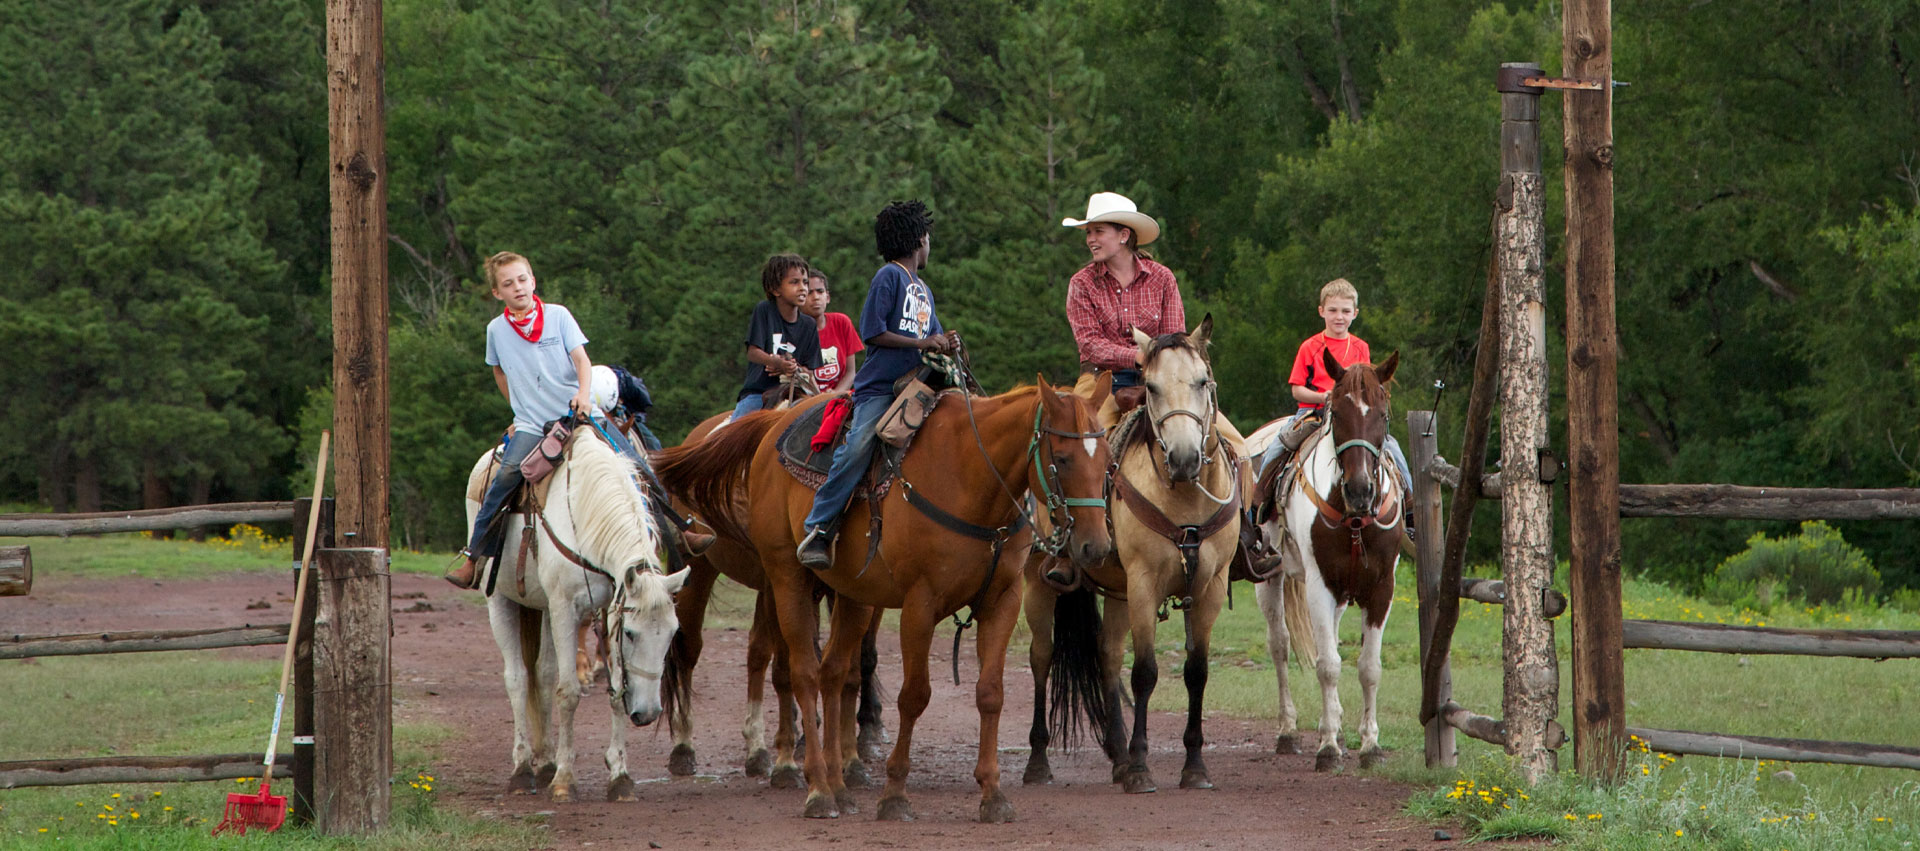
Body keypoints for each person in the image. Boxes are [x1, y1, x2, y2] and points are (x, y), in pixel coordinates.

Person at [796, 201, 957, 569]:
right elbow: (872, 332)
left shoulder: (923, 291)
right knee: (858, 447)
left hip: (918, 389)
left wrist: (946, 341)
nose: (930, 244)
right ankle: (819, 527)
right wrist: (921, 344)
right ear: (919, 239)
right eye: (928, 237)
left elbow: (930, 336)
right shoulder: (889, 276)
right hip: (881, 390)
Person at [446, 251, 594, 590]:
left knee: (628, 456)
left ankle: (676, 529)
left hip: (576, 415)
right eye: (508, 284)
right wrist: (519, 408)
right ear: (498, 293)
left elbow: (582, 360)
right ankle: (474, 558)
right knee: (506, 476)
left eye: (523, 279)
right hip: (532, 426)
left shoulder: (558, 316)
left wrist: (584, 395)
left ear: (533, 281)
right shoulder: (496, 330)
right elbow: (498, 370)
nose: (518, 288)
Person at [1256, 278, 1411, 507]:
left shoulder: (1361, 347)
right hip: (1313, 412)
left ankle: (1409, 506)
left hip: (1353, 417)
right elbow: (1297, 390)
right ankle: (1259, 504)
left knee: (1392, 448)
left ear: (1355, 313)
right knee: (1279, 446)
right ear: (1322, 312)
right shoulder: (1310, 346)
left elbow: (1365, 389)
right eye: (1333, 310)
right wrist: (1323, 397)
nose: (1339, 317)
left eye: (1345, 311)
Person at [731, 254, 822, 421]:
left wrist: (793, 368)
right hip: (759, 393)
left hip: (795, 393)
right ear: (775, 289)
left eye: (805, 282)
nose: (803, 288)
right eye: (794, 282)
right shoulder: (764, 310)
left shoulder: (809, 324)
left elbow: (810, 369)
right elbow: (753, 352)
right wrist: (777, 363)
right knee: (733, 436)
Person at [804, 271, 863, 394]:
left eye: (820, 291)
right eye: (809, 292)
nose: (815, 297)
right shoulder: (795, 331)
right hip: (806, 399)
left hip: (840, 396)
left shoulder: (842, 322)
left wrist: (835, 394)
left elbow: (850, 372)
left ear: (828, 297)